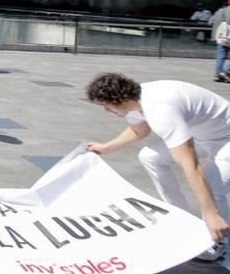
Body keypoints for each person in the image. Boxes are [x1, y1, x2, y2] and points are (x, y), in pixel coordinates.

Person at [85, 73, 230, 262]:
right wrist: (105, 148)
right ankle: (183, 220)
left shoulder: (161, 110)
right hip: (203, 132)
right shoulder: (137, 98)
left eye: (106, 105)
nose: (106, 110)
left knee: (213, 185)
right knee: (150, 157)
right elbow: (140, 130)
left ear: (119, 99)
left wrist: (212, 214)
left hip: (226, 139)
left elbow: (191, 165)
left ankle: (218, 239)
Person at [210, 0, 230, 83]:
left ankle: (217, 74)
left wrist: (215, 37)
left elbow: (215, 23)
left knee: (220, 56)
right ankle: (226, 72)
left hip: (221, 36)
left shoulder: (221, 11)